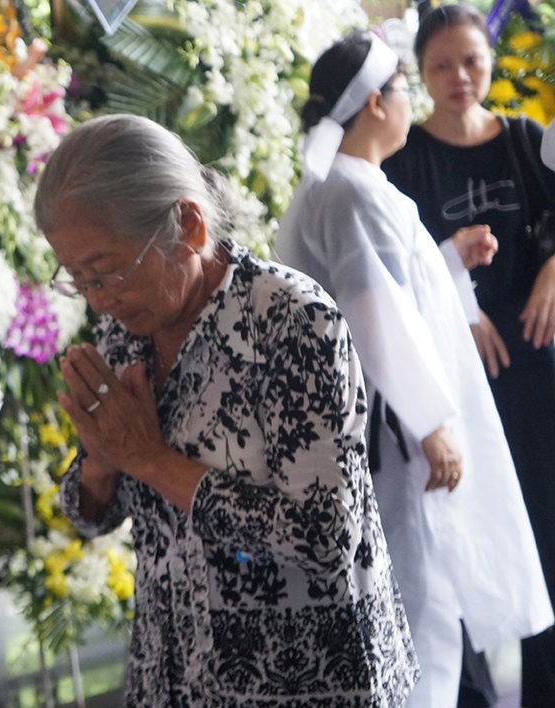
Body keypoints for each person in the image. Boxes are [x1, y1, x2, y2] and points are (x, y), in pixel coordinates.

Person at [34, 113, 418, 706]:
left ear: (186, 224)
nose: (100, 301)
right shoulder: (123, 335)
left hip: (304, 677)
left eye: (108, 271)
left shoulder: (291, 322)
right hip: (172, 670)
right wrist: (102, 468)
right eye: (80, 280)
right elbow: (93, 516)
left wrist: (152, 459)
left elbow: (326, 537)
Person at [275, 29, 553, 708]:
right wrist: (432, 426)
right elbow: (374, 318)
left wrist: (451, 259)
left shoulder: (349, 186)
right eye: (405, 87)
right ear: (376, 103)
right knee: (418, 618)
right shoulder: (350, 192)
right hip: (396, 445)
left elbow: (393, 288)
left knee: (425, 613)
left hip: (395, 439)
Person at [382, 5, 555, 705]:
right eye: (443, 65)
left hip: (536, 363)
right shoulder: (404, 158)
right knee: (467, 536)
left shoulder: (525, 139)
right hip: (455, 376)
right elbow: (392, 271)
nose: (460, 77)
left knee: (544, 530)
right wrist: (460, 301)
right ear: (421, 72)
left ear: (492, 61)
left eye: (472, 62)